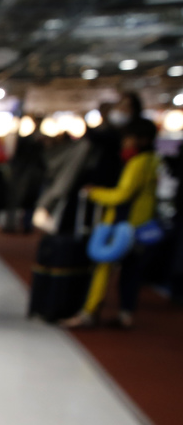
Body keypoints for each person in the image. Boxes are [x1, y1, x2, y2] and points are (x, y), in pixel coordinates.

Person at [61, 116, 159, 329]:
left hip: (124, 223)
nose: (125, 142)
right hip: (141, 223)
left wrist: (94, 192)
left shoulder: (137, 163)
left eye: (128, 138)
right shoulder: (153, 161)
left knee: (102, 266)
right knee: (131, 272)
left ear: (141, 140)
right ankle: (126, 314)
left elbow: (122, 195)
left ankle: (89, 312)